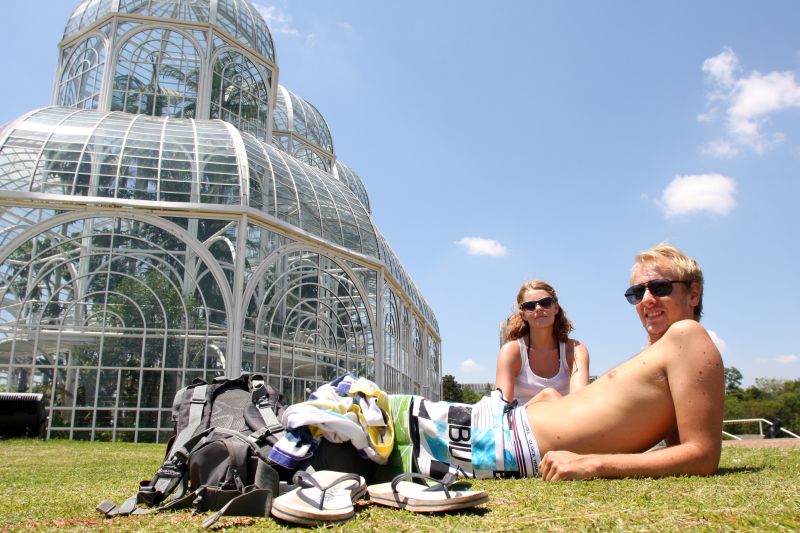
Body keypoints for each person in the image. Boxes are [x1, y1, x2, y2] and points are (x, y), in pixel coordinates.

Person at [394, 243, 723, 481]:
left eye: (660, 288)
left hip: (507, 445)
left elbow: (701, 455)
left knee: (376, 414)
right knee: (378, 419)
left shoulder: (687, 334)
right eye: (637, 293)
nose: (646, 300)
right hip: (500, 428)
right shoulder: (665, 350)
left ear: (693, 294)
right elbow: (674, 442)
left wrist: (592, 464)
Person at [495, 280, 589, 405]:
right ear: (523, 314)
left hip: (564, 421)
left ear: (556, 308)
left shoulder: (575, 349)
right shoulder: (511, 351)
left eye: (545, 303)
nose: (538, 308)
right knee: (549, 394)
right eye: (530, 306)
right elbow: (501, 407)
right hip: (523, 422)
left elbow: (580, 402)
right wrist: (546, 396)